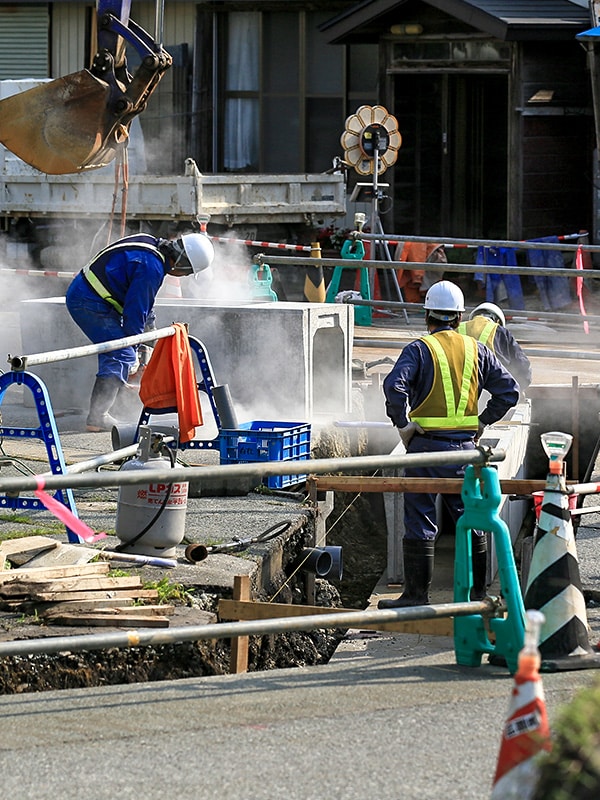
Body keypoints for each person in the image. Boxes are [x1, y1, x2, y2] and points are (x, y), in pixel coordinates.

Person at [379, 280, 519, 609]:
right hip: (465, 453)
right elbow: (509, 391)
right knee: (471, 518)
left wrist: (402, 425)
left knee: (420, 520)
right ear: (458, 318)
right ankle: (477, 596)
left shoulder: (418, 349)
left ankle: (416, 596)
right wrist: (483, 421)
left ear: (427, 315)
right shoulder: (478, 350)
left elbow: (394, 387)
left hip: (425, 451)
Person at [66, 231, 214, 432]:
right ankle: (97, 417)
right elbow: (135, 314)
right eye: (187, 273)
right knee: (121, 353)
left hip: (92, 294)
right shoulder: (151, 268)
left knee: (123, 351)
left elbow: (145, 304)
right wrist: (134, 351)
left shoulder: (150, 244)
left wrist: (150, 335)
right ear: (181, 263)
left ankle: (109, 398)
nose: (184, 276)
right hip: (88, 302)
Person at [458, 302, 532, 393]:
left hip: (459, 389)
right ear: (497, 321)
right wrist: (519, 388)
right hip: (491, 393)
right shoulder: (500, 332)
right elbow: (522, 365)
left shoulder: (457, 328)